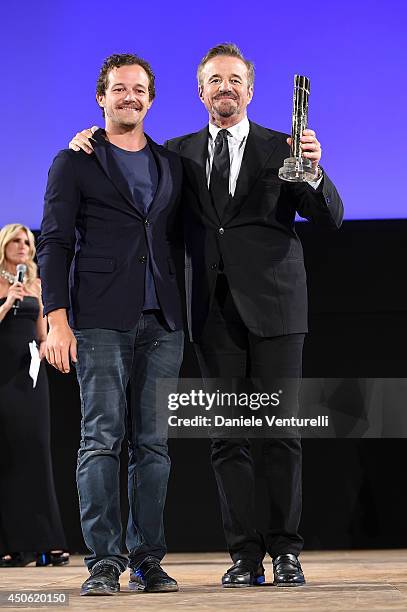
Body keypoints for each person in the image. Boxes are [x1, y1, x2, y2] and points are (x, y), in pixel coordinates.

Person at [69, 43, 344, 588]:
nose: (225, 88)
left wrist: (313, 172)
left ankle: (286, 551)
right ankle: (243, 554)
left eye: (235, 80)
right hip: (210, 313)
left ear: (250, 90)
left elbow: (331, 216)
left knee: (279, 433)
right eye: (215, 80)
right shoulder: (176, 153)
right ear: (201, 91)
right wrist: (93, 140)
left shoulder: (283, 146)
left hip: (277, 310)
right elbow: (135, 178)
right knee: (228, 440)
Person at [37, 54, 184, 596]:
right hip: (98, 320)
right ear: (101, 98)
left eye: (139, 89)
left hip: (163, 323)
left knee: (154, 448)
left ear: (150, 98)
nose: (129, 97)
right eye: (119, 89)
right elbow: (54, 241)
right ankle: (103, 561)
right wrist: (55, 319)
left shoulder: (171, 164)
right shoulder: (74, 160)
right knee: (101, 440)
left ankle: (148, 559)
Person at [0, 223, 68, 568]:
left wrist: (45, 347)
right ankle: (10, 544)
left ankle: (46, 540)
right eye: (17, 240)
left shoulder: (36, 284)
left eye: (28, 241)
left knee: (36, 454)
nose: (24, 245)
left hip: (29, 378)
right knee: (7, 457)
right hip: (1, 376)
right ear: (4, 245)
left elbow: (41, 333)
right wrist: (7, 301)